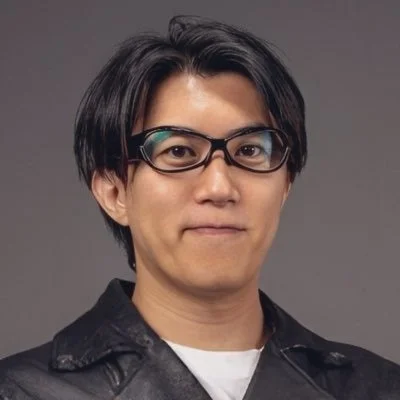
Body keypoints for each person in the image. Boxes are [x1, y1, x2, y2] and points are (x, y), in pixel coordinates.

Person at [1, 14, 399, 400]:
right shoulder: (23, 391)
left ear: (285, 185)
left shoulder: (378, 388)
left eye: (249, 150)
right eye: (178, 152)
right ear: (114, 192)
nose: (219, 187)